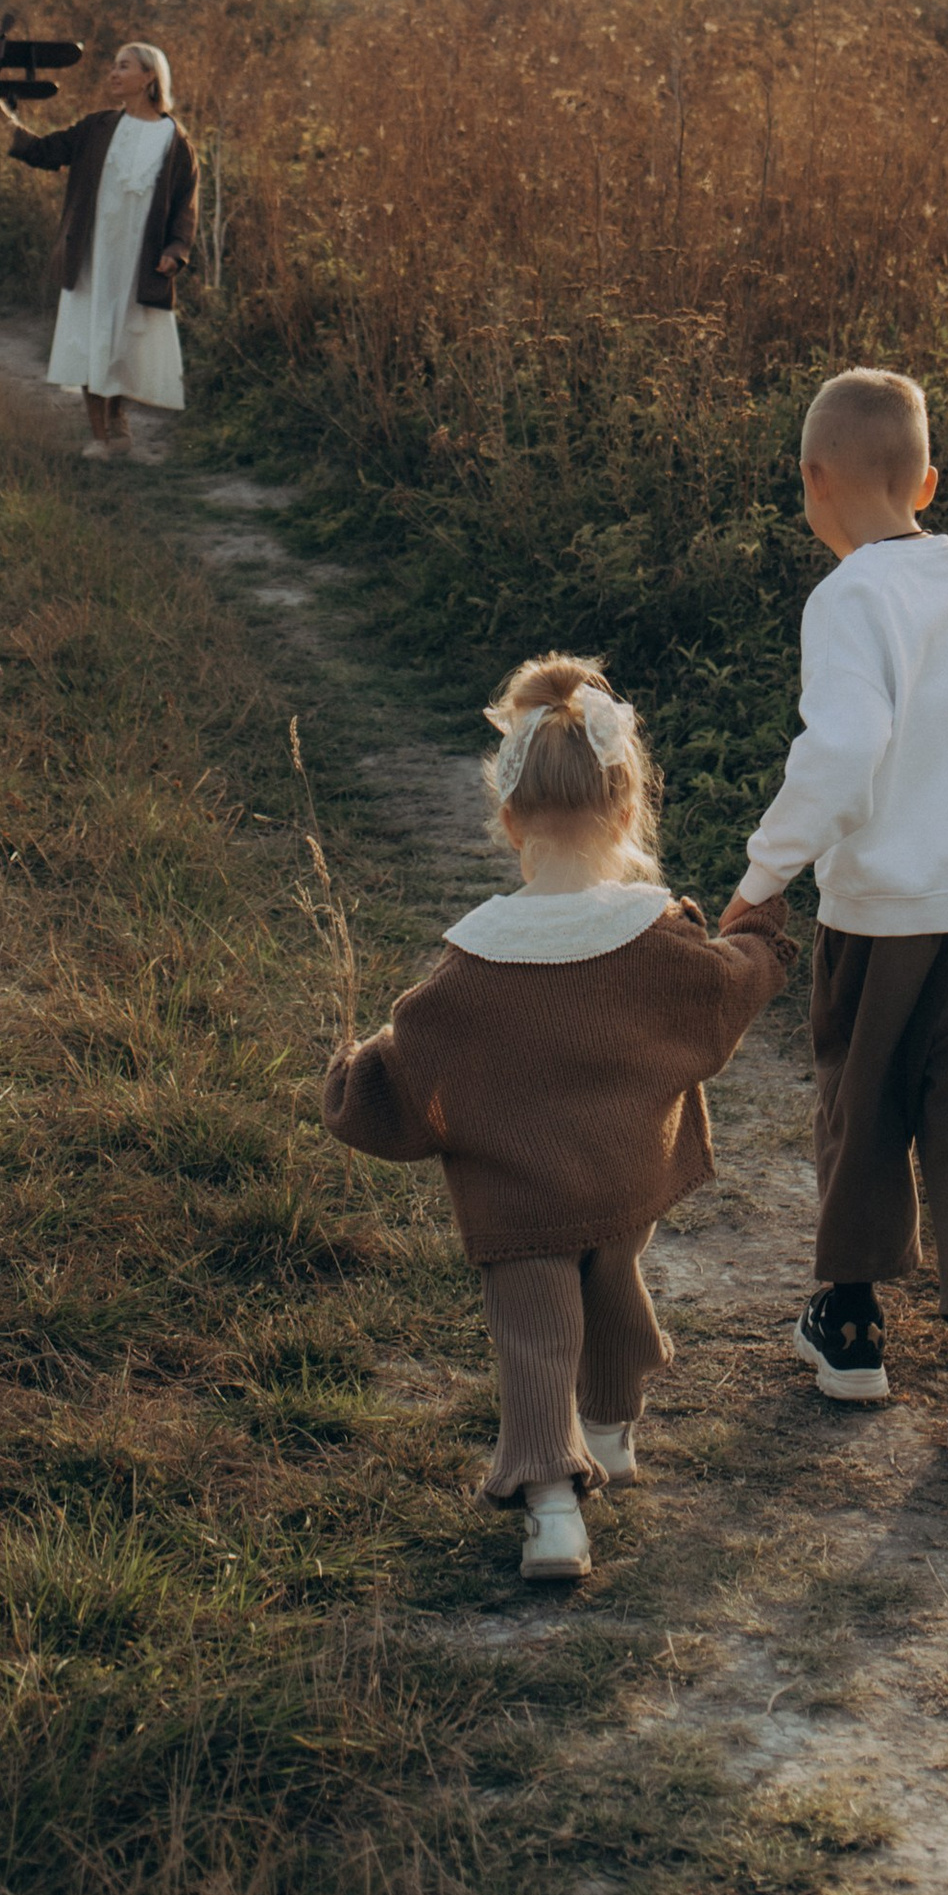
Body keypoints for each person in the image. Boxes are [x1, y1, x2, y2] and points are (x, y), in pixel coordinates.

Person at [322, 657, 790, 1583]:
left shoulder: (472, 966)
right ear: (626, 812)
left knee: (537, 1339)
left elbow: (405, 1075)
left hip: (521, 1206)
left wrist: (349, 1080)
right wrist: (760, 936)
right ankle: (612, 1436)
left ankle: (552, 1513)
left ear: (507, 823)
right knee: (615, 1284)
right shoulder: (660, 936)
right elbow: (727, 988)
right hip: (624, 1177)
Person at [719, 366, 948, 1453]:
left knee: (863, 1106)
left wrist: (759, 879)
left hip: (884, 920)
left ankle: (854, 1322)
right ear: (927, 482)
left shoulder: (848, 596)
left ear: (810, 482)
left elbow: (846, 750)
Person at [0, 40, 197, 458]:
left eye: (123, 66)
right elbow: (46, 151)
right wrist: (5, 121)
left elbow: (184, 206)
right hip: (93, 255)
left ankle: (117, 418)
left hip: (138, 260)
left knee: (123, 339)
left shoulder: (174, 140)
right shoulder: (98, 127)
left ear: (149, 77)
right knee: (90, 338)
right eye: (113, 65)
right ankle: (101, 435)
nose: (113, 73)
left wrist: (176, 250)